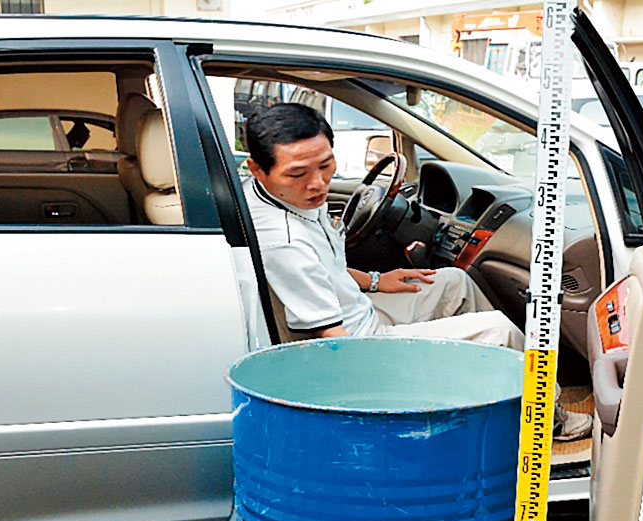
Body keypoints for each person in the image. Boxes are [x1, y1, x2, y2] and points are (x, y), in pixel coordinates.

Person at [244, 102, 592, 442]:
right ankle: (546, 419)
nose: (318, 183)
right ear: (257, 169)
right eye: (298, 174)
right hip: (356, 346)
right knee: (498, 331)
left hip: (358, 312)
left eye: (325, 165)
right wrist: (391, 374)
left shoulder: (287, 197)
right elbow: (333, 341)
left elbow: (325, 268)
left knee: (455, 282)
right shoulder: (285, 242)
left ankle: (496, 393)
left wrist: (377, 281)